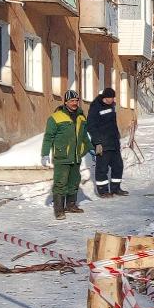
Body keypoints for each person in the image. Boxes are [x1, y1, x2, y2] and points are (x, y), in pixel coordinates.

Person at [41, 90, 94, 219]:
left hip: (76, 156)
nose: (74, 103)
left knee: (74, 182)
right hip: (62, 156)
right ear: (65, 102)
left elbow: (84, 136)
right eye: (72, 101)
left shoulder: (81, 117)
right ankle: (59, 210)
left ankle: (71, 205)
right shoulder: (56, 117)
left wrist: (91, 149)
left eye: (76, 101)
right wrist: (45, 153)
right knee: (60, 183)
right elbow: (49, 137)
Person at [87, 87, 129, 197]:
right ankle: (103, 191)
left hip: (113, 142)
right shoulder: (95, 107)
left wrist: (117, 137)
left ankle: (116, 188)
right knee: (102, 168)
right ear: (106, 98)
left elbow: (112, 124)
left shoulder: (111, 106)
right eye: (112, 98)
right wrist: (97, 142)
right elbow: (91, 126)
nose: (113, 100)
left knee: (118, 166)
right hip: (102, 144)